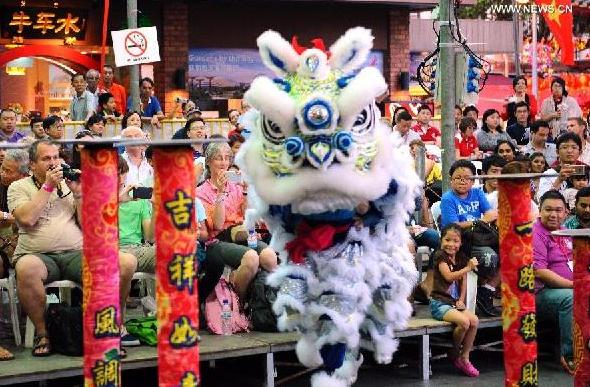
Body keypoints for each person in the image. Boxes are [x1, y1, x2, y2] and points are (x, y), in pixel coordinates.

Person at [8, 140, 138, 355]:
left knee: (125, 262)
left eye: (56, 157)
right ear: (32, 164)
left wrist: (79, 194)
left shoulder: (70, 185)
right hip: (37, 255)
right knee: (26, 268)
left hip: (76, 253)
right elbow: (27, 218)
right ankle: (43, 334)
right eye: (46, 159)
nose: (53, 163)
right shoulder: (18, 187)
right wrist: (48, 186)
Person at [197, 142, 278, 299]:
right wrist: (220, 193)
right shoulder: (201, 192)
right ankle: (238, 303)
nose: (224, 163)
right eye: (219, 158)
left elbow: (248, 218)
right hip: (217, 240)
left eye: (227, 158)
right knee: (251, 258)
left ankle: (264, 302)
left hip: (241, 233)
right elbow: (218, 225)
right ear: (208, 162)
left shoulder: (236, 187)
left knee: (269, 256)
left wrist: (246, 190)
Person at [440, 159, 501, 317]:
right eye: (458, 177)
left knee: (511, 252)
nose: (462, 181)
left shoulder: (477, 193)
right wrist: (477, 221)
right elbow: (452, 226)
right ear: (450, 178)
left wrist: (479, 222)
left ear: (473, 179)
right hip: (461, 240)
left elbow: (491, 213)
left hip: (480, 236)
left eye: (467, 178)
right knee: (489, 258)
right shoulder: (448, 198)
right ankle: (482, 289)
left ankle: (486, 289)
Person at [532, 190, 575, 374]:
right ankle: (571, 355)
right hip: (540, 294)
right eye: (548, 209)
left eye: (558, 210)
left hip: (568, 287)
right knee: (572, 298)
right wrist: (575, 286)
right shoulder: (535, 233)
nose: (553, 214)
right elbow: (540, 271)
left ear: (566, 212)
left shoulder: (566, 232)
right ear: (539, 211)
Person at [430, 223, 480, 377]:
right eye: (447, 240)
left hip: (453, 303)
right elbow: (449, 276)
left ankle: (465, 357)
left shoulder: (461, 257)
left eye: (455, 241)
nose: (451, 244)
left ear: (460, 243)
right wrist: (468, 268)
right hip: (439, 303)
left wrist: (461, 299)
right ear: (441, 241)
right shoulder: (440, 256)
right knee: (464, 322)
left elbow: (463, 281)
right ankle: (454, 352)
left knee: (474, 320)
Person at [538, 132, 586, 198]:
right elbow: (541, 199)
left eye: (574, 147)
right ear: (557, 152)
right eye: (565, 147)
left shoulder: (587, 172)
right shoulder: (548, 174)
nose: (569, 151)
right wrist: (559, 181)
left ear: (580, 152)